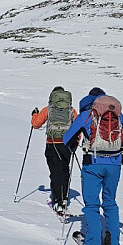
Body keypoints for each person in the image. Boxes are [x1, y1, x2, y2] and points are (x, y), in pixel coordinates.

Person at [62, 93, 123, 245]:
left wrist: (74, 145)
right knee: (110, 203)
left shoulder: (86, 115)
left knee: (92, 205)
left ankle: (94, 244)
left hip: (92, 164)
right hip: (114, 165)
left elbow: (67, 138)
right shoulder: (117, 115)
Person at [31, 86, 77, 214]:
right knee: (65, 170)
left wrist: (34, 114)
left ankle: (57, 200)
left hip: (52, 144)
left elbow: (36, 125)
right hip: (67, 145)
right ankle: (64, 198)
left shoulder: (48, 110)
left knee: (55, 172)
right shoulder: (71, 110)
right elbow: (77, 127)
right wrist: (75, 144)